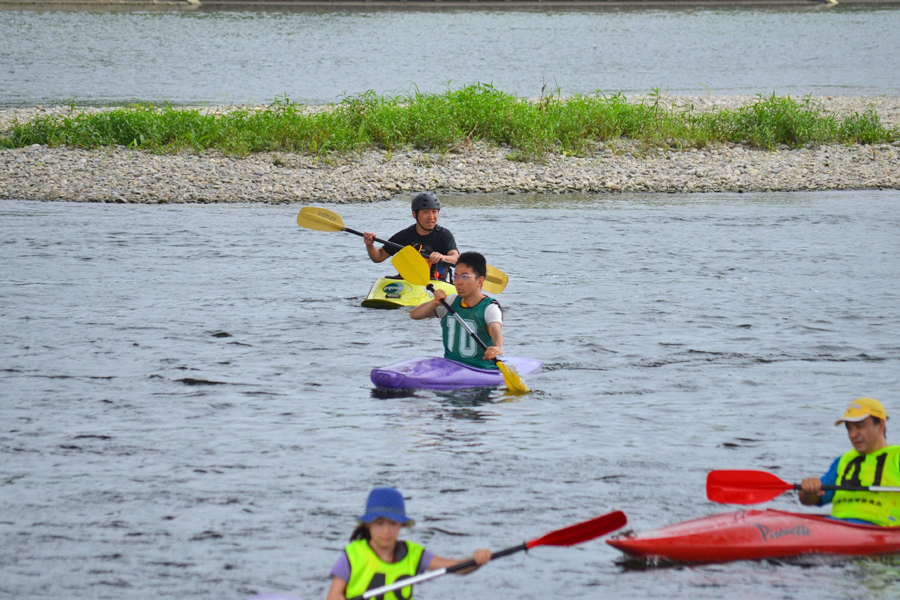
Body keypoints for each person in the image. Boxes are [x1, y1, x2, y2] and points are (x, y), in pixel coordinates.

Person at [325, 487, 491, 600]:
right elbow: (333, 596)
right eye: (379, 523)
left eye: (393, 523)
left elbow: (455, 567)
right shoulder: (353, 555)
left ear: (401, 525)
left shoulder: (413, 554)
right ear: (368, 524)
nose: (386, 532)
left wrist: (476, 560)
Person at [799, 397, 900, 526]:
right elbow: (810, 500)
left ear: (880, 425)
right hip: (837, 528)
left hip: (880, 530)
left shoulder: (897, 456)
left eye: (859, 426)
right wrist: (808, 490)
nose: (853, 434)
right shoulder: (842, 462)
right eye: (849, 428)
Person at [409, 252, 502, 370]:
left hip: (480, 370)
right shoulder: (451, 301)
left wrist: (498, 347)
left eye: (464, 277)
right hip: (451, 368)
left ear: (479, 281)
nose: (458, 282)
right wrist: (435, 302)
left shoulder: (490, 307)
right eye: (456, 276)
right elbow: (415, 315)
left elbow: (495, 330)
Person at [363, 192, 459, 280]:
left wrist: (442, 257)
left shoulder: (444, 235)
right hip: (408, 283)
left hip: (436, 284)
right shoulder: (405, 236)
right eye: (425, 212)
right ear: (414, 214)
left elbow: (456, 258)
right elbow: (378, 257)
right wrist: (370, 245)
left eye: (434, 212)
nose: (431, 217)